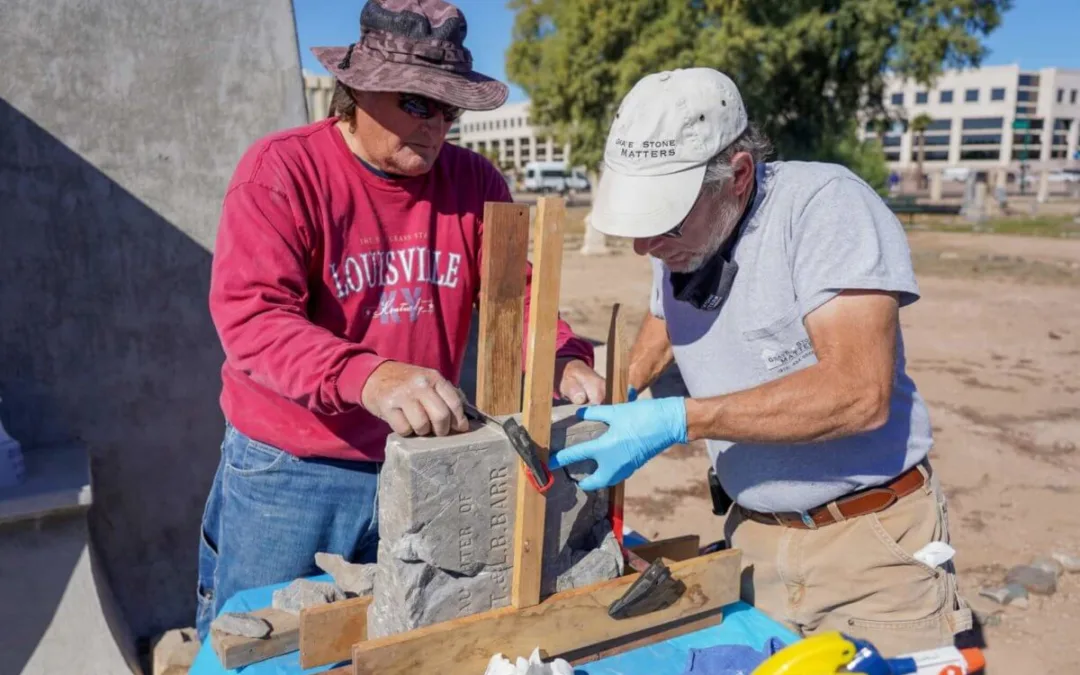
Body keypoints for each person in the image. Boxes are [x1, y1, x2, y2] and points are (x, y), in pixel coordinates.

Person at [196, 0, 604, 641]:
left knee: (400, 642)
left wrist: (560, 354)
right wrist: (372, 377)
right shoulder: (281, 172)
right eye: (418, 104)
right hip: (293, 471)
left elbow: (515, 297)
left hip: (420, 460)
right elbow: (253, 318)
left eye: (450, 109)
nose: (437, 126)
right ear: (356, 91)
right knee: (262, 645)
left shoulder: (476, 182)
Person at [549, 68, 971, 656]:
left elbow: (858, 392)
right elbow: (664, 320)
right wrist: (615, 386)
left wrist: (676, 419)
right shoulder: (683, 236)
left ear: (737, 177)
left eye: (662, 225)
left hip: (868, 551)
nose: (646, 247)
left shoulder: (825, 206)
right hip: (753, 539)